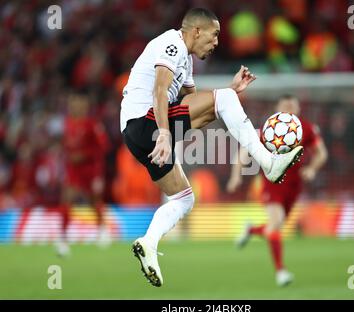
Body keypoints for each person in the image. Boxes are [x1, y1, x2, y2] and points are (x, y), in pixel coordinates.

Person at [120, 8, 303, 287]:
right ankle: (268, 163)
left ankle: (148, 243)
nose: (217, 42)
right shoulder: (172, 44)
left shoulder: (187, 62)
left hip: (137, 133)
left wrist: (227, 93)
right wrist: (165, 136)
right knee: (224, 100)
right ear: (196, 31)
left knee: (184, 198)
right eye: (214, 34)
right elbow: (160, 90)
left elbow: (197, 108)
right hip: (145, 122)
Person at [227, 94, 328, 286]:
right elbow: (244, 150)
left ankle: (250, 229)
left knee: (276, 225)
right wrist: (235, 175)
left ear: (298, 108)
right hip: (272, 181)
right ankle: (281, 271)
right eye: (285, 106)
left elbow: (322, 153)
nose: (289, 109)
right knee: (276, 223)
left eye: (292, 106)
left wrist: (312, 169)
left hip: (295, 184)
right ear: (277, 108)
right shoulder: (268, 128)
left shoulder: (306, 128)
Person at [56, 92, 111, 256]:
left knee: (94, 201)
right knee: (67, 199)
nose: (75, 107)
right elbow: (67, 145)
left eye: (78, 104)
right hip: (74, 170)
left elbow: (104, 146)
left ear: (85, 106)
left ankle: (102, 230)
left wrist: (85, 155)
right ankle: (63, 238)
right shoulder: (67, 123)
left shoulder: (92, 124)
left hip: (91, 169)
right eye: (72, 104)